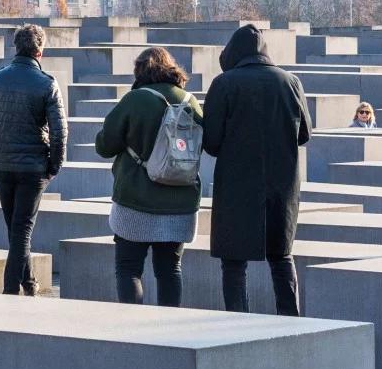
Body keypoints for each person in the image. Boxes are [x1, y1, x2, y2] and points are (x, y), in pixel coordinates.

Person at [203, 24, 312, 316]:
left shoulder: (224, 84)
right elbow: (304, 135)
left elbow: (211, 143)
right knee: (282, 258)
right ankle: (292, 322)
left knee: (234, 263)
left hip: (237, 186)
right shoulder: (290, 82)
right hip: (282, 184)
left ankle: (239, 324)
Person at [95, 47, 203, 308]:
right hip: (181, 201)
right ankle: (171, 332)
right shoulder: (190, 100)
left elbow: (104, 146)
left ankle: (135, 333)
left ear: (140, 70)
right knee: (170, 271)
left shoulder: (135, 100)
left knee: (129, 269)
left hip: (136, 199)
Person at [0, 24, 67, 296]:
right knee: (22, 229)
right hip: (32, 167)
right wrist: (54, 165)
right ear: (40, 50)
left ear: (16, 47)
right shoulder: (47, 84)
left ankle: (28, 283)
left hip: (2, 165)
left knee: (15, 228)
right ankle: (9, 290)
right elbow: (60, 132)